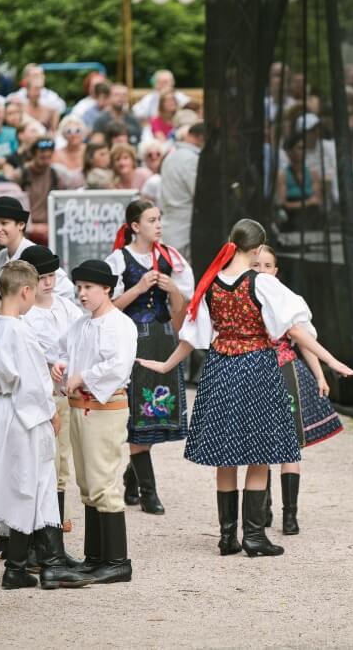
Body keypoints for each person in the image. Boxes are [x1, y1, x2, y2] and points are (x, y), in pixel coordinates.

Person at [138, 219, 353, 557]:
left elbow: (194, 335)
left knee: (227, 455)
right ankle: (254, 537)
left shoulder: (211, 282)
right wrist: (333, 361)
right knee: (260, 452)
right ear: (257, 250)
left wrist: (168, 365)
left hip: (220, 368)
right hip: (256, 367)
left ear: (233, 243)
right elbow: (296, 329)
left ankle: (228, 538)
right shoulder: (262, 284)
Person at [0, 260, 90, 590]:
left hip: (4, 409)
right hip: (23, 413)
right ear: (26, 291)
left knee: (25, 484)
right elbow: (31, 381)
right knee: (33, 482)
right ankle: (32, 564)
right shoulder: (19, 331)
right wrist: (50, 412)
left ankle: (24, 565)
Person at [105, 201, 194, 515]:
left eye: (160, 219)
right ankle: (149, 492)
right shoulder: (119, 260)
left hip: (163, 338)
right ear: (134, 226)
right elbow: (106, 307)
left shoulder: (171, 257)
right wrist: (139, 288)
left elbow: (182, 309)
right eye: (152, 220)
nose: (158, 225)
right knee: (138, 418)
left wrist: (172, 291)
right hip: (132, 341)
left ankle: (133, 476)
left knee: (155, 412)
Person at [53, 260, 137, 583]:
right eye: (79, 287)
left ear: (107, 289)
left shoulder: (121, 325)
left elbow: (118, 366)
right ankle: (95, 556)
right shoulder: (81, 324)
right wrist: (61, 367)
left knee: (103, 481)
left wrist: (83, 376)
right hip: (79, 407)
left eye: (88, 287)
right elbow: (65, 351)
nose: (82, 294)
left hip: (105, 408)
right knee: (86, 483)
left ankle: (117, 561)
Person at [251, 245, 342, 535]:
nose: (261, 271)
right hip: (257, 371)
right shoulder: (246, 297)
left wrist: (319, 375)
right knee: (261, 442)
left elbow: (304, 339)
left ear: (276, 271)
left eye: (267, 266)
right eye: (256, 266)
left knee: (290, 446)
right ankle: (262, 507)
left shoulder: (288, 299)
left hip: (286, 371)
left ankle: (290, 516)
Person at [19, 245, 84, 535]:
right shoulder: (26, 314)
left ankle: (59, 513)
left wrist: (67, 364)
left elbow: (79, 343)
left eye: (51, 275)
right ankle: (39, 516)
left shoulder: (67, 308)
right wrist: (47, 365)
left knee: (62, 457)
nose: (47, 282)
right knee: (40, 457)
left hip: (64, 393)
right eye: (41, 276)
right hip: (38, 394)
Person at [157, 123, 204, 262]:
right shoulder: (192, 159)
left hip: (169, 223)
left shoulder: (171, 156)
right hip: (184, 225)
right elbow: (198, 192)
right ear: (200, 137)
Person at [277, 132, 323, 231]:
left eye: (303, 148)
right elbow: (284, 204)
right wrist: (307, 202)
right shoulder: (283, 176)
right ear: (290, 152)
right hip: (292, 220)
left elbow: (317, 200)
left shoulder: (313, 174)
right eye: (299, 148)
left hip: (311, 219)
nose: (302, 151)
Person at [53, 115, 87, 188]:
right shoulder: (56, 154)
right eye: (69, 131)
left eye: (77, 131)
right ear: (63, 133)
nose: (73, 135)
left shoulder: (89, 151)